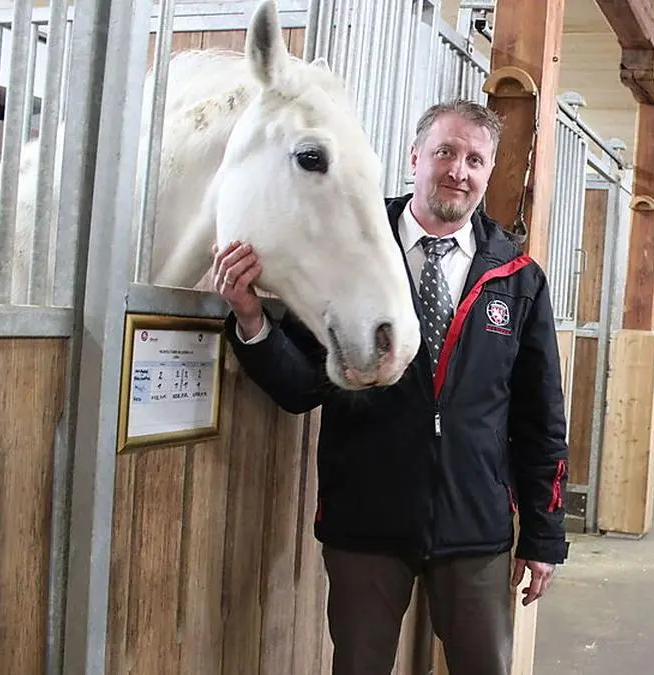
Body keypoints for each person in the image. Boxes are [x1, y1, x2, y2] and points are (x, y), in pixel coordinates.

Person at [211, 99, 570, 675]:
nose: (458, 171)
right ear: (414, 157)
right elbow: (300, 388)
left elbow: (540, 419)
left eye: (475, 160)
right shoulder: (347, 251)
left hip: (475, 525)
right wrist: (251, 318)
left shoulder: (518, 278)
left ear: (488, 172)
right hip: (366, 521)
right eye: (445, 152)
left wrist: (544, 537)